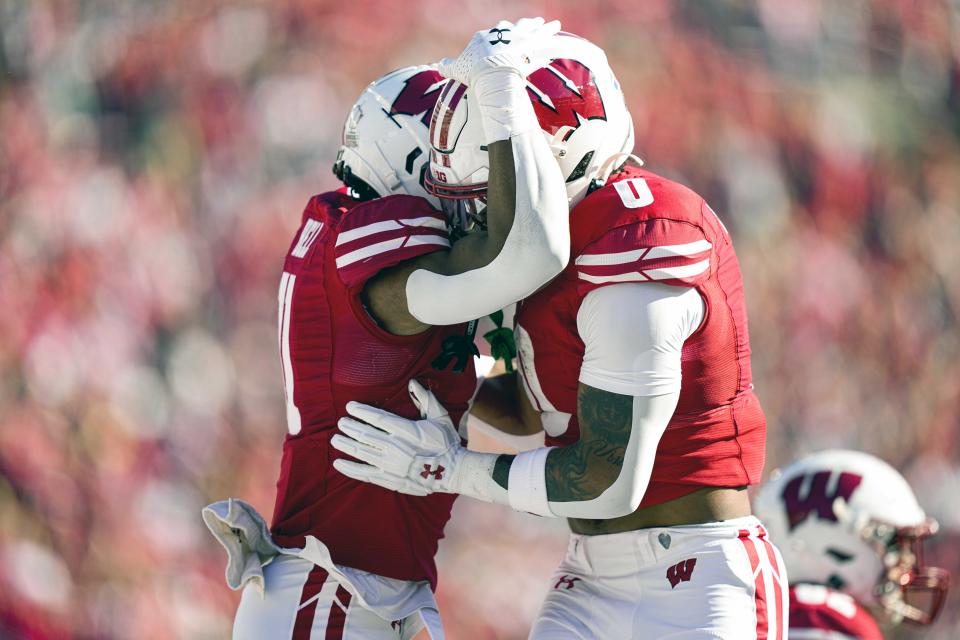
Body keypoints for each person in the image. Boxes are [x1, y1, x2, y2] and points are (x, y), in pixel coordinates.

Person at [333, 25, 788, 638]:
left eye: (483, 192)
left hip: (699, 577)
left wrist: (449, 469)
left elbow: (607, 481)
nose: (473, 216)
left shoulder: (641, 237)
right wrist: (492, 339)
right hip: (588, 575)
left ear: (560, 157)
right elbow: (519, 422)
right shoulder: (555, 252)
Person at [203, 18, 570, 640]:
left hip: (367, 591)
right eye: (449, 165)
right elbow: (527, 252)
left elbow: (510, 419)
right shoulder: (369, 235)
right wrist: (500, 88)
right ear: (409, 164)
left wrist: (502, 333)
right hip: (331, 589)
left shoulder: (385, 260)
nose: (467, 187)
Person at [754, 449, 951, 639]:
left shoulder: (767, 613)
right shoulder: (824, 621)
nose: (906, 561)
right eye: (893, 544)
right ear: (837, 546)